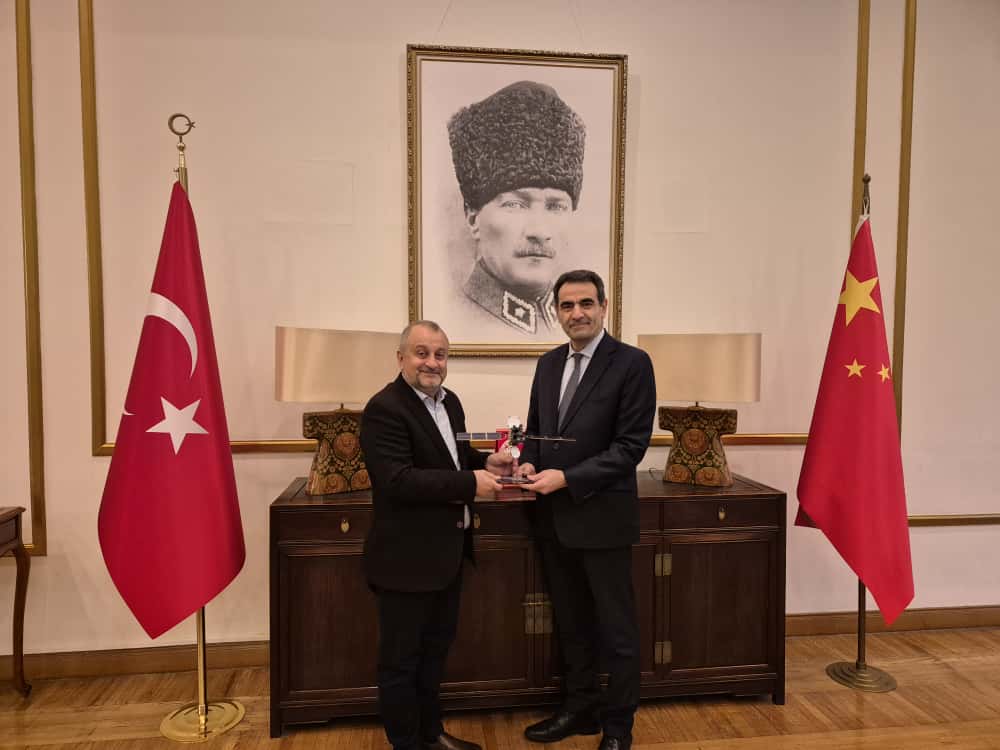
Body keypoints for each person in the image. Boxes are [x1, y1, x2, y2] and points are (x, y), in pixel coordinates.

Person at [516, 270, 656, 750]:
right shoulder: (548, 364)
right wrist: (529, 460)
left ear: (604, 307)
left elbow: (630, 448)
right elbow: (536, 430)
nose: (577, 313)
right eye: (567, 305)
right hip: (553, 519)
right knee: (571, 623)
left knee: (617, 631)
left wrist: (567, 478)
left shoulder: (632, 363)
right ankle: (580, 711)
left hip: (603, 519)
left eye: (586, 303)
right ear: (556, 311)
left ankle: (618, 729)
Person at [361, 320, 513, 750]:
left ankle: (432, 735)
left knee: (433, 656)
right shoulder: (384, 409)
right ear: (401, 358)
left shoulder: (451, 403)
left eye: (440, 354)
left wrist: (486, 463)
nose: (432, 362)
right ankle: (407, 743)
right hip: (405, 562)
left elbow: (453, 456)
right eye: (421, 353)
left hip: (447, 557)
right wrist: (470, 483)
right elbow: (398, 480)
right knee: (400, 664)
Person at [447, 80, 586, 335]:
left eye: (556, 206)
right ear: (472, 217)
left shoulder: (576, 329)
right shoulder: (451, 317)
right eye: (515, 204)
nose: (539, 231)